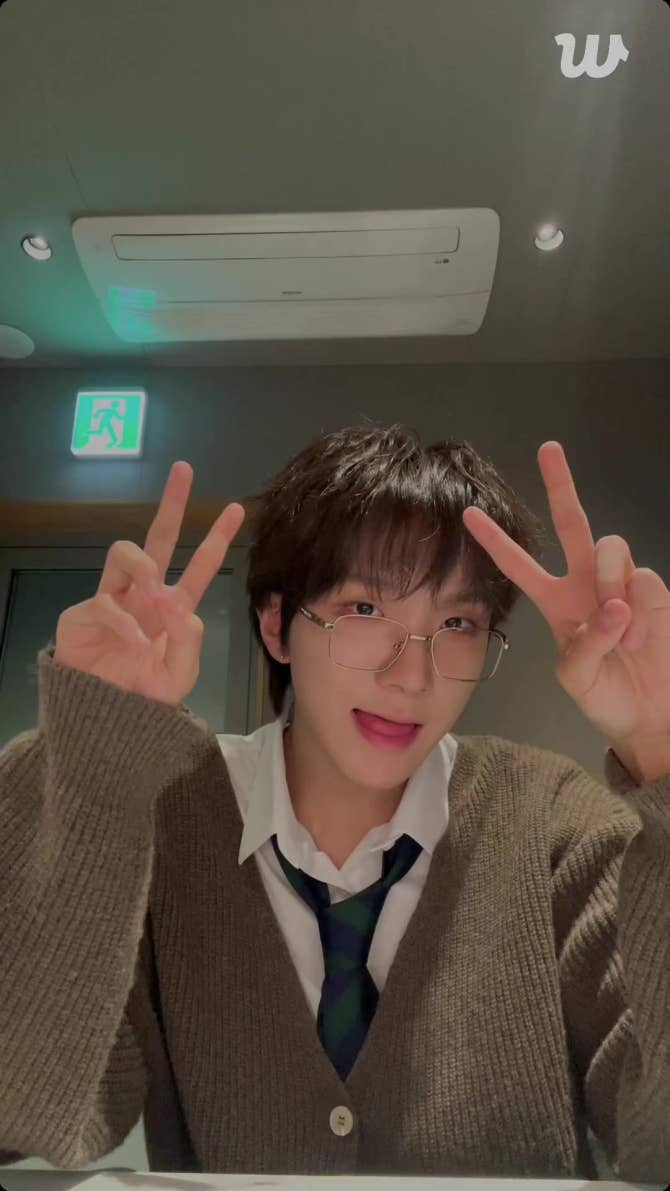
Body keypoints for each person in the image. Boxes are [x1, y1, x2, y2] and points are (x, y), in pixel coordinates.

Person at [1, 423, 669, 1181]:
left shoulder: (551, 822)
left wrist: (662, 746)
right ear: (277, 625)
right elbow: (25, 1109)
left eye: (457, 623)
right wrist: (87, 763)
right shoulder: (166, 818)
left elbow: (657, 1137)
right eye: (363, 610)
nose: (410, 676)